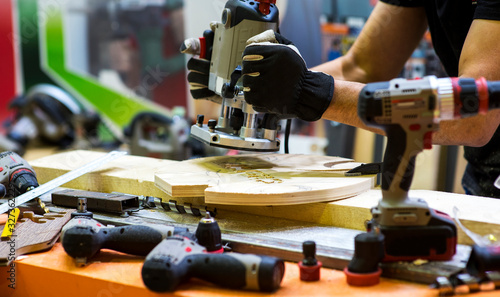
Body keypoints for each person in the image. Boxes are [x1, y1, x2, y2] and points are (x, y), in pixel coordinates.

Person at [238, 0, 500, 198]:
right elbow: (361, 67)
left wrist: (313, 94)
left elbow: (476, 114)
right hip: (482, 175)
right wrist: (249, 87)